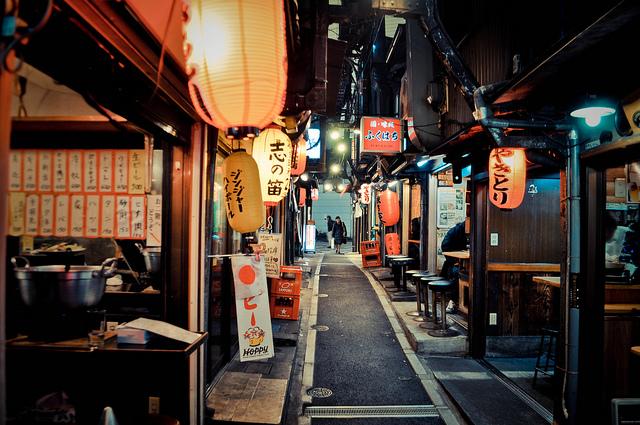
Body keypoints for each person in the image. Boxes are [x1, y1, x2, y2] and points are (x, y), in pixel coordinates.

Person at [440, 221, 467, 313]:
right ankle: (453, 302)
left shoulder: (462, 230)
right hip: (453, 263)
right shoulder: (456, 231)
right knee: (457, 273)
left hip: (461, 261)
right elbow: (444, 246)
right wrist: (453, 261)